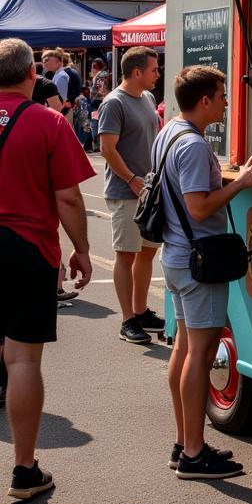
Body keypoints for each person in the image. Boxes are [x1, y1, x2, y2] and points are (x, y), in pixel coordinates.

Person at [155, 65, 252, 479]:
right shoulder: (195, 146)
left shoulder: (170, 132)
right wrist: (243, 182)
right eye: (222, 96)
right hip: (197, 258)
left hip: (176, 255)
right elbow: (199, 206)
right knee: (199, 353)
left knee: (184, 348)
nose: (226, 102)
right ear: (204, 101)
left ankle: (184, 442)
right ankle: (194, 454)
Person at [0, 37, 94, 502]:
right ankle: (23, 469)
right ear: (32, 75)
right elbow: (69, 197)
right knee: (21, 359)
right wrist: (81, 249)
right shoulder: (47, 122)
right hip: (26, 247)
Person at [98, 46, 164, 346]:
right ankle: (127, 320)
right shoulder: (114, 102)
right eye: (154, 69)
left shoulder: (148, 98)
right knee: (125, 255)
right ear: (136, 72)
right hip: (126, 191)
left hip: (149, 190)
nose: (157, 74)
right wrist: (132, 179)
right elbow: (107, 149)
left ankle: (140, 311)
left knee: (147, 252)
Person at [40, 49, 70, 115]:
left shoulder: (61, 75)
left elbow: (62, 99)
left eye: (47, 61)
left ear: (57, 62)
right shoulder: (57, 74)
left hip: (60, 112)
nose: (45, 64)